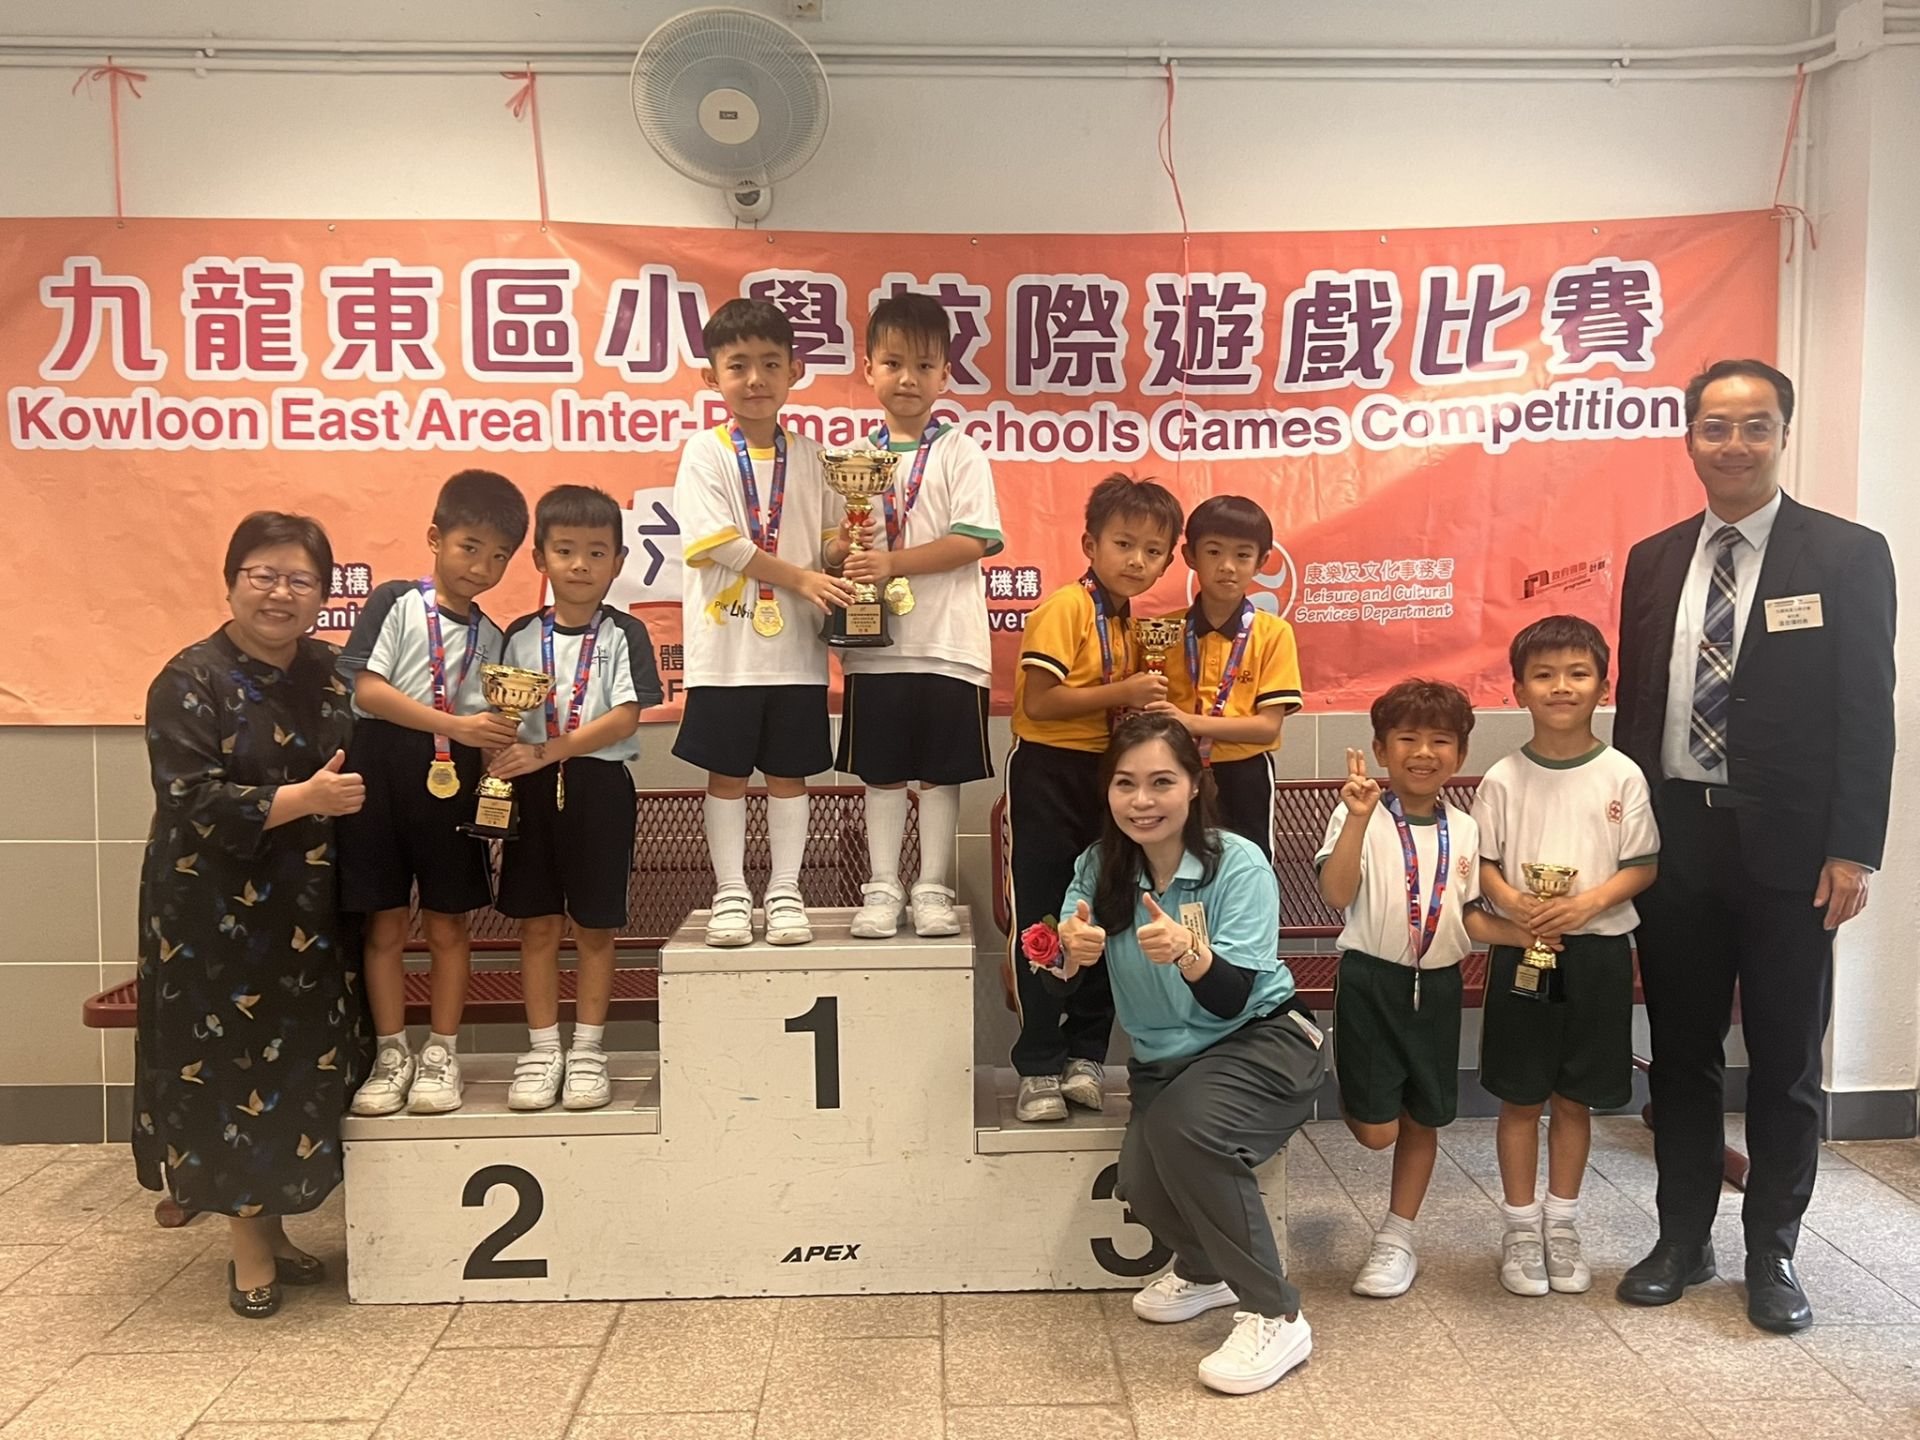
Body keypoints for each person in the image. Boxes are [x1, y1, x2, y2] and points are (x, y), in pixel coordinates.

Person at [1613, 359, 1896, 1333]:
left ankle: (1772, 1248)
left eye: (1755, 426)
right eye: (1716, 426)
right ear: (1689, 437)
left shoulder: (1848, 555)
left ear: (1782, 434)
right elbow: (1639, 708)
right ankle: (1682, 1238)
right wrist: (1626, 830)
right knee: (1682, 1052)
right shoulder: (1653, 559)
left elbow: (1867, 714)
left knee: (1783, 1059)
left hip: (1793, 853)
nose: (1734, 444)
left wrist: (1853, 848)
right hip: (1678, 839)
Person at [133, 511, 370, 1318]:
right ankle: (247, 1248)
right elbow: (189, 796)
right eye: (263, 575)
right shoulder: (188, 678)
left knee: (297, 1063)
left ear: (323, 594)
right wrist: (306, 798)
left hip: (309, 908)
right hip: (212, 912)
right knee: (231, 1066)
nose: (280, 593)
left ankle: (274, 1227)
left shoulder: (333, 672)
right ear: (231, 581)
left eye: (300, 580)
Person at [1053, 712, 1327, 1395]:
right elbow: (1058, 964)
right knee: (1141, 1185)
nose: (1141, 801)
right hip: (1165, 1063)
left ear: (1195, 785)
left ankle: (1276, 1313)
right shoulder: (1098, 865)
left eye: (1161, 782)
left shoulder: (1239, 864)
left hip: (1263, 1041)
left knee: (1187, 1132)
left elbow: (1232, 997)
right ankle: (1206, 1272)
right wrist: (1067, 950)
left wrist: (1188, 951)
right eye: (1125, 784)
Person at [1315, 679, 1537, 1299]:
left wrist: (1520, 934)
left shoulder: (1463, 829)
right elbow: (1336, 893)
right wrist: (1359, 819)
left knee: (1424, 1116)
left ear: (1459, 754)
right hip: (1370, 981)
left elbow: (1466, 915)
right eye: (1407, 738)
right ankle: (1350, 1084)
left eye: (1441, 741)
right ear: (1381, 749)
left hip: (1438, 986)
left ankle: (1397, 1236)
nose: (1423, 752)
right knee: (1377, 1131)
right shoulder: (1356, 814)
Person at [1472, 616, 1659, 1297]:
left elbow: (1642, 865)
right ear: (1518, 688)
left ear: (1603, 687)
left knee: (1575, 1097)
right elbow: (1483, 866)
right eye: (1544, 674)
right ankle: (1521, 1229)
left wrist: (1587, 906)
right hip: (1525, 953)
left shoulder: (1622, 774)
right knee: (1521, 1096)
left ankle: (1562, 1224)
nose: (1561, 687)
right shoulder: (1502, 778)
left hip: (1599, 953)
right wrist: (1512, 904)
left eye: (1578, 674)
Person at [339, 470, 529, 1117]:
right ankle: (390, 1053)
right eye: (470, 547)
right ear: (435, 537)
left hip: (453, 782)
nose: (481, 567)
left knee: (449, 922)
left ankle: (442, 1053)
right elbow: (368, 691)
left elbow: (490, 724)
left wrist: (498, 751)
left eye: (498, 557)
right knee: (385, 922)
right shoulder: (396, 601)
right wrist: (455, 724)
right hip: (378, 769)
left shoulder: (495, 639)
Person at [671, 297, 855, 948]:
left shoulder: (815, 456)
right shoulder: (704, 452)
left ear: (794, 371)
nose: (755, 379)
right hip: (724, 653)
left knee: (788, 776)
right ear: (711, 377)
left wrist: (843, 548)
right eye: (738, 365)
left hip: (796, 653)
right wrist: (802, 578)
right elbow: (718, 543)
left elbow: (829, 541)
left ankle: (784, 891)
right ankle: (729, 893)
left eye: (770, 364)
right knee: (726, 776)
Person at [1005, 473, 1184, 1122]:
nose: (1137, 560)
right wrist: (1124, 693)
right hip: (1049, 774)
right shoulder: (1067, 608)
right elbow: (1040, 701)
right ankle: (1038, 1064)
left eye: (1153, 550)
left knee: (1109, 909)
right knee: (1045, 914)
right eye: (1123, 543)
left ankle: (1086, 1055)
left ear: (1168, 561)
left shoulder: (1132, 623)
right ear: (1090, 544)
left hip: (1111, 776)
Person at [837, 293, 1005, 941]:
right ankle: (882, 886)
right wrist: (841, 548)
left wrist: (891, 563)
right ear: (868, 369)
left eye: (924, 365)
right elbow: (831, 544)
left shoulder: (962, 452)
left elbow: (974, 540)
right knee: (880, 773)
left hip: (948, 645)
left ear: (945, 375)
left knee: (939, 774)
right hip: (874, 645)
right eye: (893, 363)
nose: (908, 378)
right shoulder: (853, 458)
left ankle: (933, 886)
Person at [490, 486, 663, 1111]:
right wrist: (501, 760)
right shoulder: (518, 635)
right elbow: (500, 715)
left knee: (594, 926)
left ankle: (588, 1049)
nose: (580, 565)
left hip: (598, 787)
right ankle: (542, 1050)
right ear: (540, 559)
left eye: (596, 552)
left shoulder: (625, 632)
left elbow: (625, 717)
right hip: (530, 790)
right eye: (564, 551)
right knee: (537, 924)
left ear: (619, 561)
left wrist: (550, 749)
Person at [1154, 494, 1304, 857]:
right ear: (1190, 556)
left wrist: (1190, 722)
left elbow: (1267, 727)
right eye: (1214, 552)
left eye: (1242, 555)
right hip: (1174, 768)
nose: (1227, 566)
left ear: (1262, 562)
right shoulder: (1162, 631)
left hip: (1245, 772)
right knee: (1174, 862)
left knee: (1248, 864)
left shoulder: (1274, 633)